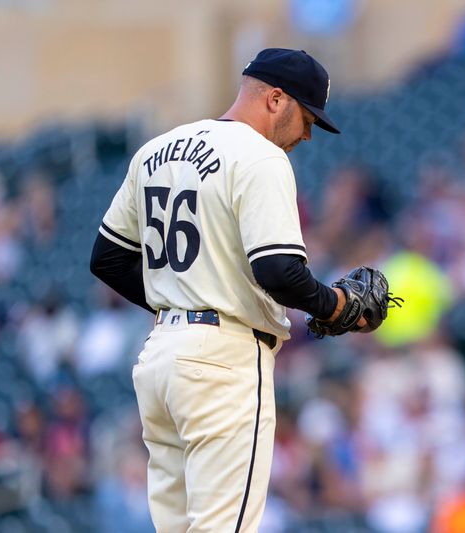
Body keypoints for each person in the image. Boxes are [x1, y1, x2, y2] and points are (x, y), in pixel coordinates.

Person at [90, 48, 366, 532]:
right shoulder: (261, 156)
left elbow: (108, 258)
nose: (306, 134)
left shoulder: (157, 148)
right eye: (306, 117)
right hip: (223, 361)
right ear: (276, 99)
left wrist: (181, 297)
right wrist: (336, 305)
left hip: (160, 359)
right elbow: (279, 271)